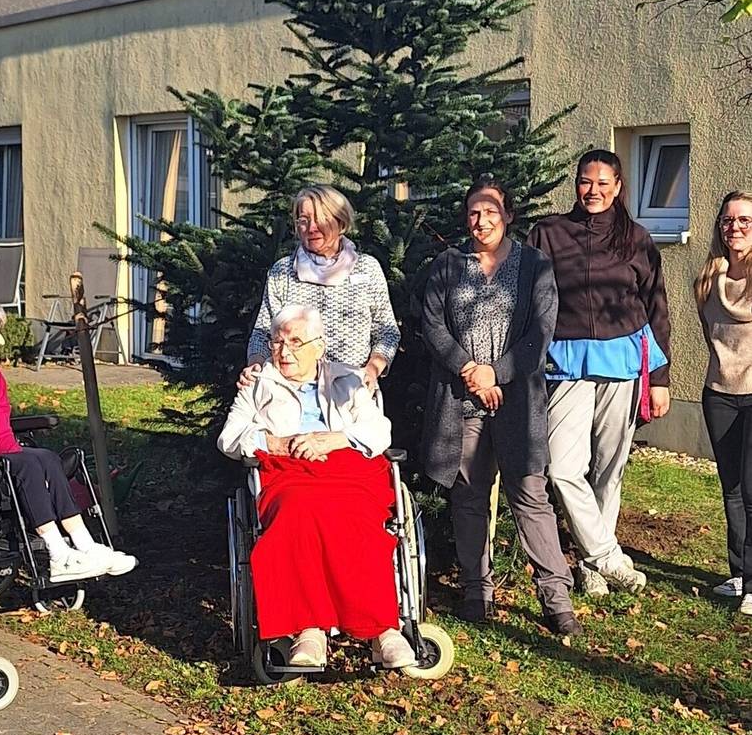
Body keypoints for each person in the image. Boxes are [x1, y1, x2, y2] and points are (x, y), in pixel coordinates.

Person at [420, 177, 580, 634]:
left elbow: (540, 332)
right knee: (469, 495)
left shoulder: (535, 265)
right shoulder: (448, 266)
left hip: (516, 401)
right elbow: (432, 327)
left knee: (530, 494)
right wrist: (471, 369)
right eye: (474, 212)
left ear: (508, 216)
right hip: (461, 399)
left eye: (491, 211)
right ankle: (477, 590)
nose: (482, 220)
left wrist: (497, 372)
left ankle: (555, 597)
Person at [219, 304, 415, 669]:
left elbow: (379, 431)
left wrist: (334, 438)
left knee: (357, 517)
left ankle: (383, 630)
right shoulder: (257, 384)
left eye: (296, 341)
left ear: (319, 347)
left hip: (347, 466)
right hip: (288, 470)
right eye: (278, 341)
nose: (284, 350)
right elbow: (229, 437)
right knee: (299, 512)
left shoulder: (349, 380)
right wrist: (272, 441)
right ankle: (309, 630)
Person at [527, 149, 671, 596]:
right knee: (564, 467)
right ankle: (606, 554)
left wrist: (661, 379)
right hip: (566, 365)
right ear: (576, 184)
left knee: (610, 469)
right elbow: (527, 299)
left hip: (623, 363)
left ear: (618, 186)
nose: (593, 191)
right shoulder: (548, 233)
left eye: (603, 183)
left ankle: (591, 569)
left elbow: (656, 308)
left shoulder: (636, 238)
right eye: (586, 182)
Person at [0, 295, 137, 582]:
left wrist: (15, 454)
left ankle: (85, 545)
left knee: (44, 458)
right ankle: (58, 555)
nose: (2, 342)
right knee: (28, 465)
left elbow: (3, 431)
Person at [242, 185, 399, 391]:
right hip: (291, 394)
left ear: (340, 222)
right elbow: (262, 333)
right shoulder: (283, 272)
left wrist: (371, 370)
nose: (312, 228)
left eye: (321, 219)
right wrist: (255, 365)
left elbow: (387, 332)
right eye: (304, 221)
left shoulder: (367, 268)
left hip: (351, 391)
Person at [694, 191, 752, 616]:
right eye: (728, 220)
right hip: (719, 394)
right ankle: (738, 573)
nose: (735, 227)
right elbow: (711, 337)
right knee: (731, 488)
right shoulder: (706, 279)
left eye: (745, 221)